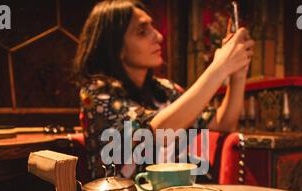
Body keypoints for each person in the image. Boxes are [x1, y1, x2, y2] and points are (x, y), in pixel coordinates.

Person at [74, 0, 254, 181]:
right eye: (143, 31)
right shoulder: (97, 93)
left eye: (153, 28)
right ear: (115, 46)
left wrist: (237, 73)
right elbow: (155, 133)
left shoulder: (165, 89)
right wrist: (219, 67)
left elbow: (223, 124)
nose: (159, 36)